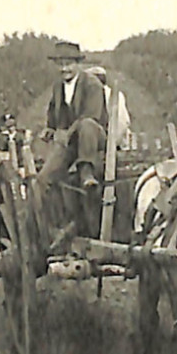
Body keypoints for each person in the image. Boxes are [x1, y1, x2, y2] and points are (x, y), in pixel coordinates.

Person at [36, 39, 110, 249]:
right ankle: (52, 228)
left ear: (78, 64)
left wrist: (66, 133)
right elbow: (53, 112)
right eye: (60, 64)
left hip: (93, 139)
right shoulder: (58, 87)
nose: (64, 68)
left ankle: (86, 171)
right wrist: (50, 128)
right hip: (69, 142)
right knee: (42, 181)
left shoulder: (92, 84)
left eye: (69, 63)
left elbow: (93, 116)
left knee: (86, 125)